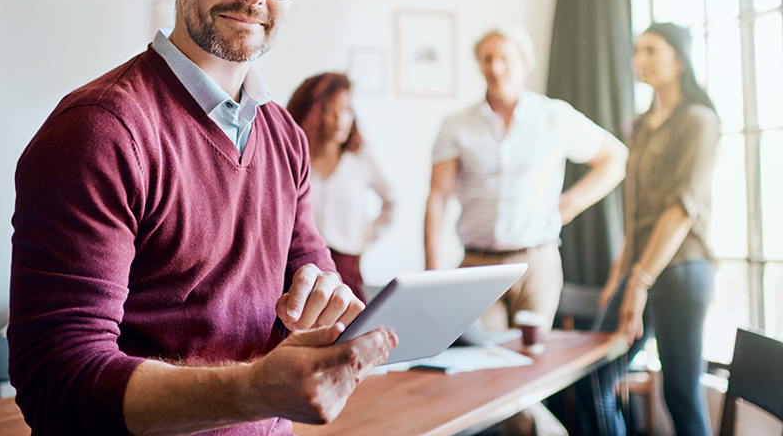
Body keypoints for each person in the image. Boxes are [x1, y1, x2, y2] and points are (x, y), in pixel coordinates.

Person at [7, 0, 397, 436]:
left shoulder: (285, 136)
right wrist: (252, 388)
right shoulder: (100, 130)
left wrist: (325, 305)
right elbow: (57, 384)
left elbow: (314, 276)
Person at [425, 27, 628, 334]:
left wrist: (569, 205)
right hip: (477, 265)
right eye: (487, 59)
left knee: (532, 363)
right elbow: (438, 196)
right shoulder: (455, 125)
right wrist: (432, 269)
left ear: (525, 62)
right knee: (482, 362)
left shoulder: (554, 116)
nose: (495, 67)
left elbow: (615, 158)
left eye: (504, 58)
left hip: (537, 263)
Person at [591, 23, 720, 436]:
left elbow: (681, 209)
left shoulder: (698, 121)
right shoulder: (641, 125)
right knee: (596, 378)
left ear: (679, 61)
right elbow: (635, 210)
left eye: (651, 50)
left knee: (680, 396)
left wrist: (638, 281)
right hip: (641, 270)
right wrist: (621, 272)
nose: (639, 59)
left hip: (683, 271)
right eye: (637, 50)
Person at [287, 72, 394, 303]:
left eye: (346, 109)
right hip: (299, 275)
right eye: (329, 110)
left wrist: (365, 235)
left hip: (348, 270)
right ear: (312, 113)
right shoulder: (294, 160)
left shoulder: (360, 160)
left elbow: (392, 201)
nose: (340, 120)